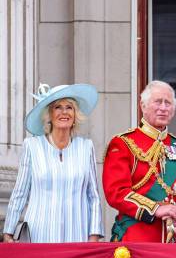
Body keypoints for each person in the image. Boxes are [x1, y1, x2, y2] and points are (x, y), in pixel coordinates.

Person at [102, 80, 176, 243]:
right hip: (137, 238)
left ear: (173, 110)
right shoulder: (123, 143)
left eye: (168, 103)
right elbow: (116, 192)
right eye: (158, 102)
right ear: (143, 106)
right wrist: (156, 209)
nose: (163, 108)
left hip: (174, 241)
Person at [2, 83, 104, 243]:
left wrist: (94, 235)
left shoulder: (86, 147)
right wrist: (8, 231)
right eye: (58, 107)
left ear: (75, 114)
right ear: (48, 114)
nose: (64, 112)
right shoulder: (32, 146)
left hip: (77, 234)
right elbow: (20, 192)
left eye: (69, 107)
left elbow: (93, 196)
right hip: (40, 234)